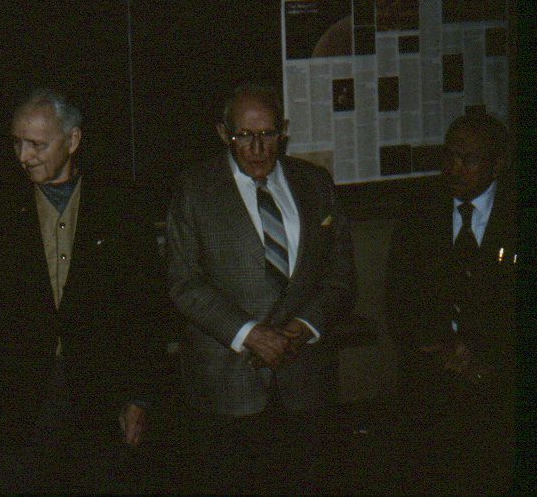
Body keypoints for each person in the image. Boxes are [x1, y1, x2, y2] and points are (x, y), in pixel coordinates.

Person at [0, 88, 163, 493]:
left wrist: (140, 398)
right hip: (19, 397)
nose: (23, 156)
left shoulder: (121, 205)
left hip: (103, 397)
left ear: (73, 141)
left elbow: (146, 308)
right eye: (16, 142)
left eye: (37, 145)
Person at [165, 82, 355, 494]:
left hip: (305, 379)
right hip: (227, 386)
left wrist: (305, 325)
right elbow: (183, 282)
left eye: (268, 134)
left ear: (283, 131)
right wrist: (251, 334)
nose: (257, 148)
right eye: (243, 136)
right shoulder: (193, 190)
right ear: (222, 134)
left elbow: (340, 273)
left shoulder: (315, 182)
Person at [385, 110, 516, 494]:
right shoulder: (420, 207)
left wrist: (484, 360)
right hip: (429, 382)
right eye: (449, 156)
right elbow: (398, 296)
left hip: (498, 385)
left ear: (497, 166)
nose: (453, 169)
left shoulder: (517, 213)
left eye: (468, 160)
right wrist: (439, 351)